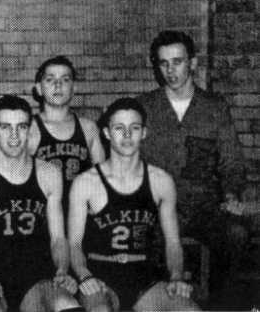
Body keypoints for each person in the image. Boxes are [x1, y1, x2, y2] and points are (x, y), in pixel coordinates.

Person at [136, 30, 250, 306]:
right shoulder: (144, 107)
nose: (170, 70)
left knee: (236, 234)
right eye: (163, 63)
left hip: (204, 207)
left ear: (193, 63)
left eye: (177, 61)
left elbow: (232, 161)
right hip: (156, 207)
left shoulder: (214, 107)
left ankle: (219, 302)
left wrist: (232, 194)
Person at [68, 98, 199, 312]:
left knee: (189, 310)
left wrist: (176, 276)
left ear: (144, 133)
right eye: (119, 128)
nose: (127, 135)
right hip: (100, 279)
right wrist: (84, 275)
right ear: (107, 133)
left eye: (134, 128)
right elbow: (74, 244)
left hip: (145, 278)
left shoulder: (161, 180)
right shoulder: (86, 182)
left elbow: (173, 242)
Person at [0, 95, 80, 312]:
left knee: (67, 305)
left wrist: (61, 270)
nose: (14, 136)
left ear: (30, 131)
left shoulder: (49, 174)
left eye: (21, 127)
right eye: (5, 127)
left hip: (38, 279)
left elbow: (58, 238)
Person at [28, 56, 105, 211]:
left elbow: (102, 180)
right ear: (39, 88)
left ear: (74, 88)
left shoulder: (88, 128)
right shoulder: (29, 128)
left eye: (65, 79)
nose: (58, 85)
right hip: (42, 218)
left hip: (81, 216)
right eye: (50, 80)